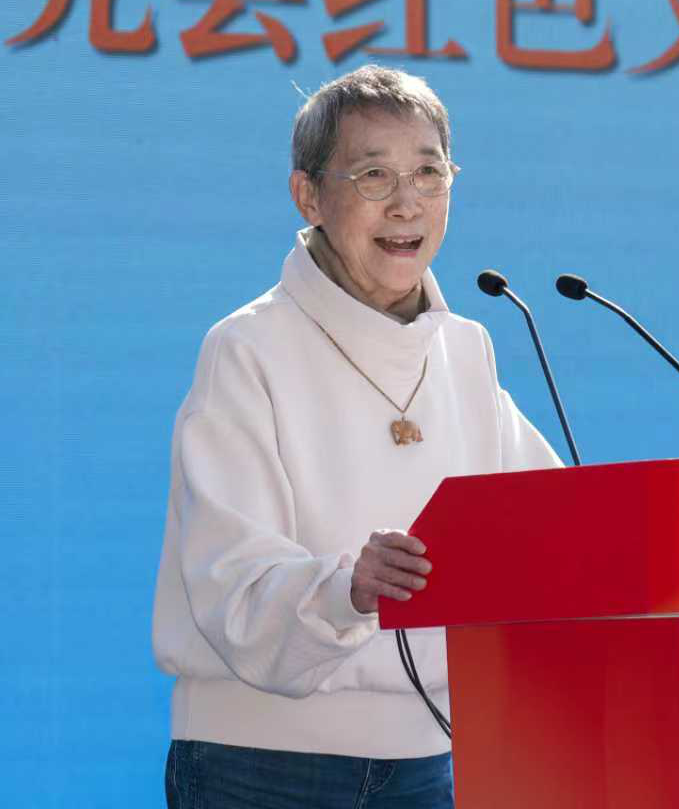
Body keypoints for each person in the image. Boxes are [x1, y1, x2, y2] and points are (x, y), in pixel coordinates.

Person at [153, 65, 563, 808]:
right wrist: (349, 589)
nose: (407, 203)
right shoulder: (247, 349)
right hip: (261, 763)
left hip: (430, 759)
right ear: (308, 195)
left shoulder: (466, 349)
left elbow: (553, 519)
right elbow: (230, 581)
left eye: (429, 173)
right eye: (374, 175)